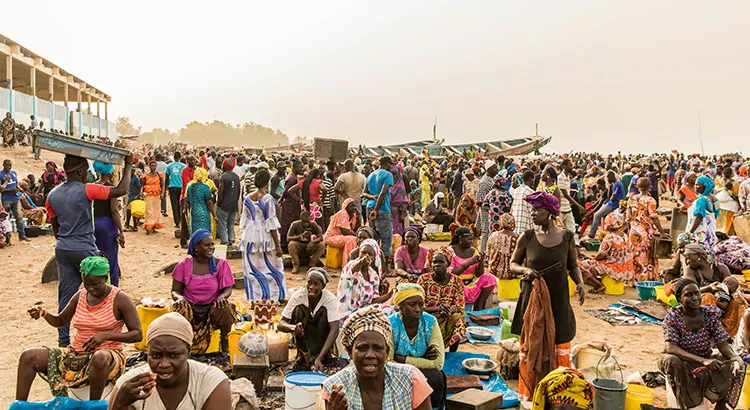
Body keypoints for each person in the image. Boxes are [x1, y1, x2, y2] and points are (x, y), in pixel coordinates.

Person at [16, 256, 141, 401]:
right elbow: (61, 320)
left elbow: (137, 334)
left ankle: (94, 405)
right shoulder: (81, 295)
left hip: (110, 357)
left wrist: (105, 336)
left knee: (99, 357)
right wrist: (44, 313)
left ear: (106, 277)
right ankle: (19, 405)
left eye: (96, 284)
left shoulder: (120, 299)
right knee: (28, 356)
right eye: (87, 284)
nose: (91, 288)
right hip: (76, 353)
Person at [46, 154, 133, 347]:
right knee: (105, 293)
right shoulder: (87, 190)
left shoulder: (52, 195)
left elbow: (55, 227)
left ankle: (63, 341)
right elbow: (121, 189)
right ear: (79, 171)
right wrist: (128, 165)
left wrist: (65, 242)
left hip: (63, 248)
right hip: (85, 248)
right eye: (86, 170)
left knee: (66, 296)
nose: (87, 174)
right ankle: (105, 337)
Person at [510, 191, 585, 400]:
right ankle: (531, 392)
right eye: (532, 210)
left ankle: (556, 391)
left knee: (559, 337)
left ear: (550, 212)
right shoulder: (527, 237)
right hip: (532, 296)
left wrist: (579, 283)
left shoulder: (567, 236)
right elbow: (513, 263)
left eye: (537, 210)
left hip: (557, 297)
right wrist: (525, 271)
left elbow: (572, 265)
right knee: (533, 339)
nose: (533, 213)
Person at [109, 313, 232, 409]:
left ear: (188, 352)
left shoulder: (210, 382)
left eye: (173, 355)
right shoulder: (129, 386)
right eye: (156, 356)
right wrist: (120, 404)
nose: (163, 364)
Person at [321, 306, 433, 410]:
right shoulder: (336, 389)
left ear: (387, 352)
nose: (370, 355)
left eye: (378, 348)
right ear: (350, 352)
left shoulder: (410, 380)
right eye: (362, 348)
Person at [659, 278, 745, 410]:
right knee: (672, 360)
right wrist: (703, 360)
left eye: (696, 293)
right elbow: (670, 348)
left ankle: (721, 404)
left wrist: (734, 357)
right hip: (682, 360)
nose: (694, 298)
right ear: (679, 299)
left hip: (704, 358)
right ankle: (688, 404)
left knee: (736, 363)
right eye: (688, 295)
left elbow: (722, 344)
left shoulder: (709, 314)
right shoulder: (674, 317)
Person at [171, 230, 236, 353]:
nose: (211, 248)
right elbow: (175, 291)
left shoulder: (221, 264)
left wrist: (222, 296)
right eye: (207, 245)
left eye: (212, 245)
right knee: (178, 310)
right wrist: (179, 298)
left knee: (226, 308)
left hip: (212, 306)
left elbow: (228, 288)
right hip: (190, 306)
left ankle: (225, 345)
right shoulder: (184, 265)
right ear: (196, 246)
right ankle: (181, 346)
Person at [388, 283, 447, 410]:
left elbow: (438, 363)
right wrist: (422, 360)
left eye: (421, 304)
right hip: (397, 372)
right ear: (400, 306)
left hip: (417, 369)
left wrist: (404, 360)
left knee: (435, 377)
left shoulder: (430, 322)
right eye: (412, 304)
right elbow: (387, 362)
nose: (418, 309)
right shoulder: (390, 324)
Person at [278, 267, 346, 373]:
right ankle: (304, 356)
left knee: (324, 312)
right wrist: (293, 327)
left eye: (316, 284)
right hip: (305, 335)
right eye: (309, 283)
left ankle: (321, 356)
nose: (311, 287)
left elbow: (334, 330)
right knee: (298, 309)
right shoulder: (299, 296)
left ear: (323, 286)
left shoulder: (329, 299)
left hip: (321, 335)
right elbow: (280, 324)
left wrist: (319, 358)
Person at [240, 169, 286, 301]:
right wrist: (278, 246)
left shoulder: (247, 198)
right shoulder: (268, 199)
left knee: (253, 268)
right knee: (273, 266)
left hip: (250, 235)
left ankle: (256, 298)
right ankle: (274, 296)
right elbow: (270, 223)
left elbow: (245, 219)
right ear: (267, 182)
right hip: (265, 236)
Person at [417, 251, 466, 351]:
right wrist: (437, 309)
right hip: (427, 315)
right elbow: (417, 306)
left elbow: (459, 305)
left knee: (458, 321)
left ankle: (452, 353)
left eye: (441, 262)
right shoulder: (424, 279)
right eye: (434, 262)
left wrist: (448, 311)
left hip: (447, 315)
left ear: (448, 264)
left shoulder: (457, 281)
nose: (437, 265)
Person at [337, 239, 394, 322]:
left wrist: (390, 295)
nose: (366, 256)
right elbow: (353, 269)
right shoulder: (350, 266)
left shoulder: (373, 275)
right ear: (359, 253)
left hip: (363, 311)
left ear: (374, 258)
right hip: (346, 313)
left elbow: (374, 300)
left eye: (370, 254)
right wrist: (361, 262)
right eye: (363, 252)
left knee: (391, 310)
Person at [579, 210, 634, 292]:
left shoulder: (609, 237)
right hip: (624, 267)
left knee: (580, 266)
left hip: (613, 266)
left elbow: (602, 255)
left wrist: (594, 259)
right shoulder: (624, 235)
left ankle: (599, 285)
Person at [626, 177, 667, 282]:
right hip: (645, 231)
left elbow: (628, 217)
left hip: (634, 230)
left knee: (635, 255)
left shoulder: (632, 198)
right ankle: (645, 279)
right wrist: (662, 233)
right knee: (647, 257)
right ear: (650, 187)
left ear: (637, 187)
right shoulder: (650, 200)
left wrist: (629, 228)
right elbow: (654, 218)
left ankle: (634, 280)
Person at [92, 162, 125, 286]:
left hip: (93, 224)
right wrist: (121, 230)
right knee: (109, 257)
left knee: (96, 256)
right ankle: (110, 286)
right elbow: (114, 210)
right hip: (107, 225)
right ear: (110, 171)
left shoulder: (92, 186)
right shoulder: (111, 188)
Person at [448, 227, 496, 311]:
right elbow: (451, 273)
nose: (471, 241)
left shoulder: (473, 251)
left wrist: (481, 262)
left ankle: (479, 306)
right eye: (469, 239)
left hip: (471, 282)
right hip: (455, 283)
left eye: (472, 239)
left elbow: (478, 274)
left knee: (489, 278)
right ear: (460, 239)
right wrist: (468, 263)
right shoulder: (450, 251)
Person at [363, 155, 395, 270]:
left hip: (369, 207)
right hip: (381, 209)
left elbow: (364, 194)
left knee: (374, 237)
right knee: (386, 239)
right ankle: (384, 267)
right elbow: (383, 192)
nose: (391, 167)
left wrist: (372, 197)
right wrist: (376, 209)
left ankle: (373, 265)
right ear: (386, 164)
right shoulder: (388, 175)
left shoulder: (371, 175)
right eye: (390, 164)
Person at [686, 175, 720, 252]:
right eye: (695, 184)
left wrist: (689, 233)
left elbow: (699, 216)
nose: (695, 186)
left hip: (700, 231)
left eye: (698, 184)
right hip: (710, 230)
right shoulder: (714, 198)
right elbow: (716, 214)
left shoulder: (702, 200)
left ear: (705, 186)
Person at [324, 197, 361, 266]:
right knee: (352, 239)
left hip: (340, 237)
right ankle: (346, 264)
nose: (354, 208)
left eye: (354, 206)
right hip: (331, 237)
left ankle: (349, 262)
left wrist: (358, 217)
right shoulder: (342, 214)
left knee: (353, 239)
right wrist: (358, 236)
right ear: (346, 207)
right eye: (351, 206)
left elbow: (357, 228)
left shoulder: (352, 215)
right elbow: (345, 232)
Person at [287, 210, 326, 274]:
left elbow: (320, 237)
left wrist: (313, 242)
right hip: (299, 245)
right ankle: (296, 265)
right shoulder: (295, 224)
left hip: (309, 246)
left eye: (307, 222)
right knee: (292, 244)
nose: (306, 224)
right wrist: (300, 236)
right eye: (304, 222)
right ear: (300, 219)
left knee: (321, 245)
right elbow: (288, 238)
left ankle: (312, 264)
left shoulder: (313, 224)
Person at [588, 171, 623, 239]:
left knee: (597, 215)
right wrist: (609, 188)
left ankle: (592, 233)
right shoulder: (614, 184)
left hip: (614, 204)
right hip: (612, 203)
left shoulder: (617, 184)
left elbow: (613, 197)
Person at [0, 159, 29, 242]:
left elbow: (16, 184)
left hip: (15, 198)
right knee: (5, 219)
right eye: (7, 165)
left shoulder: (13, 173)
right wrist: (6, 181)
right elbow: (1, 189)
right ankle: (7, 237)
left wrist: (20, 189)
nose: (9, 167)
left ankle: (22, 235)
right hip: (6, 199)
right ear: (3, 165)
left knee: (19, 217)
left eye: (10, 166)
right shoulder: (0, 175)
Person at [280, 158, 304, 252]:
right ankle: (285, 246)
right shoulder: (292, 178)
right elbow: (286, 192)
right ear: (295, 168)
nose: (302, 169)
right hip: (290, 205)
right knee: (287, 225)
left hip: (292, 204)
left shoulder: (293, 176)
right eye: (300, 167)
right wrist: (299, 200)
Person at [216, 158, 241, 246]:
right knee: (231, 223)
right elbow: (238, 192)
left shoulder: (223, 176)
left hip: (224, 205)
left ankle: (225, 241)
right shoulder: (236, 177)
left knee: (222, 223)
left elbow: (221, 192)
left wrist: (219, 203)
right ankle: (231, 239)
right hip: (233, 204)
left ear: (225, 166)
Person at [487, 213, 519, 280]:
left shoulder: (493, 235)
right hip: (513, 276)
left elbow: (488, 253)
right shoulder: (518, 238)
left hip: (495, 274)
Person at [184, 167, 215, 237]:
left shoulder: (190, 187)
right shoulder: (206, 188)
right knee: (205, 233)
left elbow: (187, 201)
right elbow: (209, 203)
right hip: (204, 213)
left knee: (195, 232)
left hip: (194, 213)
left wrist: (188, 212)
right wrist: (214, 215)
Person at [476, 160, 498, 252]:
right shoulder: (484, 182)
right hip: (486, 210)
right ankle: (483, 253)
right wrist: (490, 206)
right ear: (488, 170)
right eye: (494, 168)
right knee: (486, 232)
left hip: (492, 210)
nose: (496, 169)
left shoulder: (492, 179)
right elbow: (479, 201)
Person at [140, 159, 165, 234]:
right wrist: (141, 192)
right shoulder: (145, 175)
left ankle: (153, 226)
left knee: (156, 211)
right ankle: (148, 227)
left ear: (156, 166)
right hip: (148, 195)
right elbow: (142, 185)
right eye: (151, 165)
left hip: (157, 195)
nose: (153, 167)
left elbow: (163, 185)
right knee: (149, 211)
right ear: (149, 166)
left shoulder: (159, 175)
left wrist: (162, 193)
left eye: (154, 166)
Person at [179, 155, 198, 247]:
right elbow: (188, 184)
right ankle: (183, 241)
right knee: (185, 220)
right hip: (185, 197)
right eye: (190, 160)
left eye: (193, 159)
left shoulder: (196, 171)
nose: (193, 161)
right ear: (187, 161)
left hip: (195, 198)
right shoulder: (185, 171)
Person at [165, 152, 187, 228]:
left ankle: (177, 222)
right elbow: (185, 178)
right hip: (181, 187)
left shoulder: (169, 166)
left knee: (174, 205)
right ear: (180, 157)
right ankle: (181, 220)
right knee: (181, 205)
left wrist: (166, 187)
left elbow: (167, 177)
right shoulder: (184, 166)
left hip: (172, 187)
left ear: (174, 157)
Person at [511, 170, 536, 235]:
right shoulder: (531, 193)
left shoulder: (516, 191)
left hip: (515, 224)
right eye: (533, 179)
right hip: (526, 225)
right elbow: (532, 211)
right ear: (530, 179)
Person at [391, 165, 410, 237]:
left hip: (398, 212)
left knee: (397, 230)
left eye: (395, 174)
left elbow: (404, 201)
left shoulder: (400, 185)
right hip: (388, 211)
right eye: (392, 174)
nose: (394, 176)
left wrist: (403, 213)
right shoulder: (387, 184)